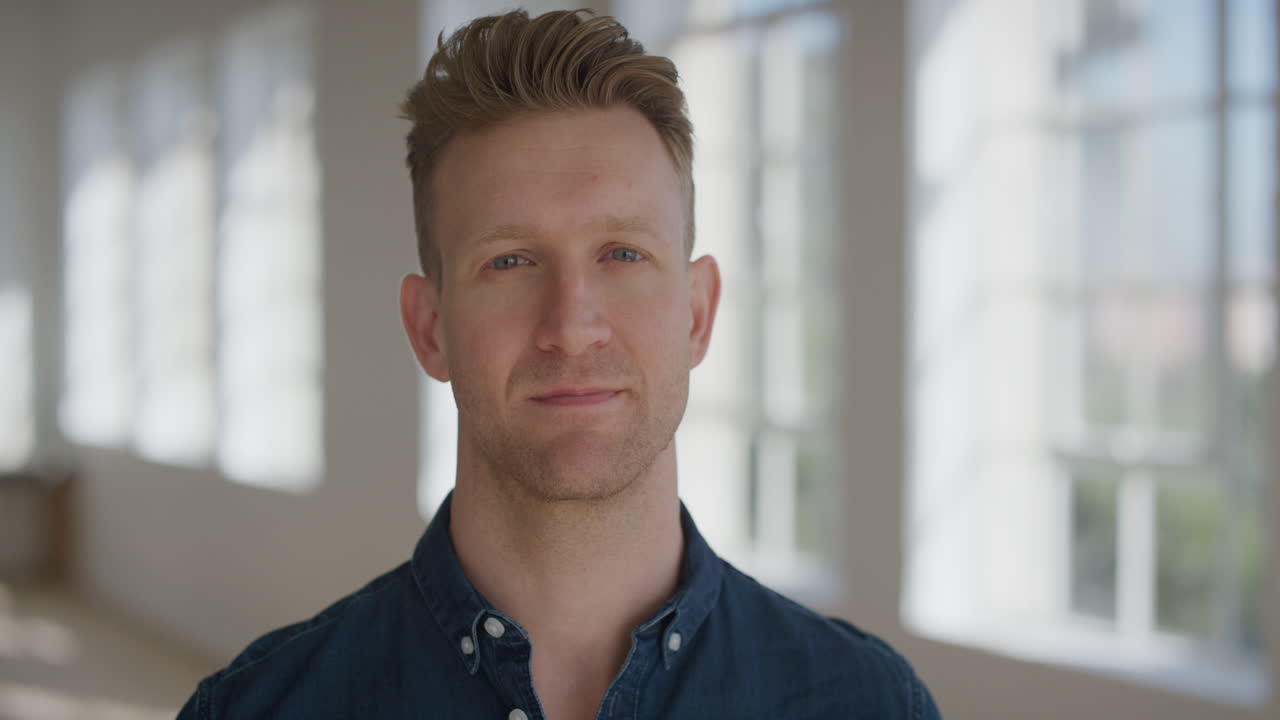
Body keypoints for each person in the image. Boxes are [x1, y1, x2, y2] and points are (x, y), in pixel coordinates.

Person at [178, 9, 940, 719]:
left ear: (698, 314)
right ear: (430, 327)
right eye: (509, 261)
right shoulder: (257, 709)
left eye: (622, 254)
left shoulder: (866, 703)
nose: (572, 327)